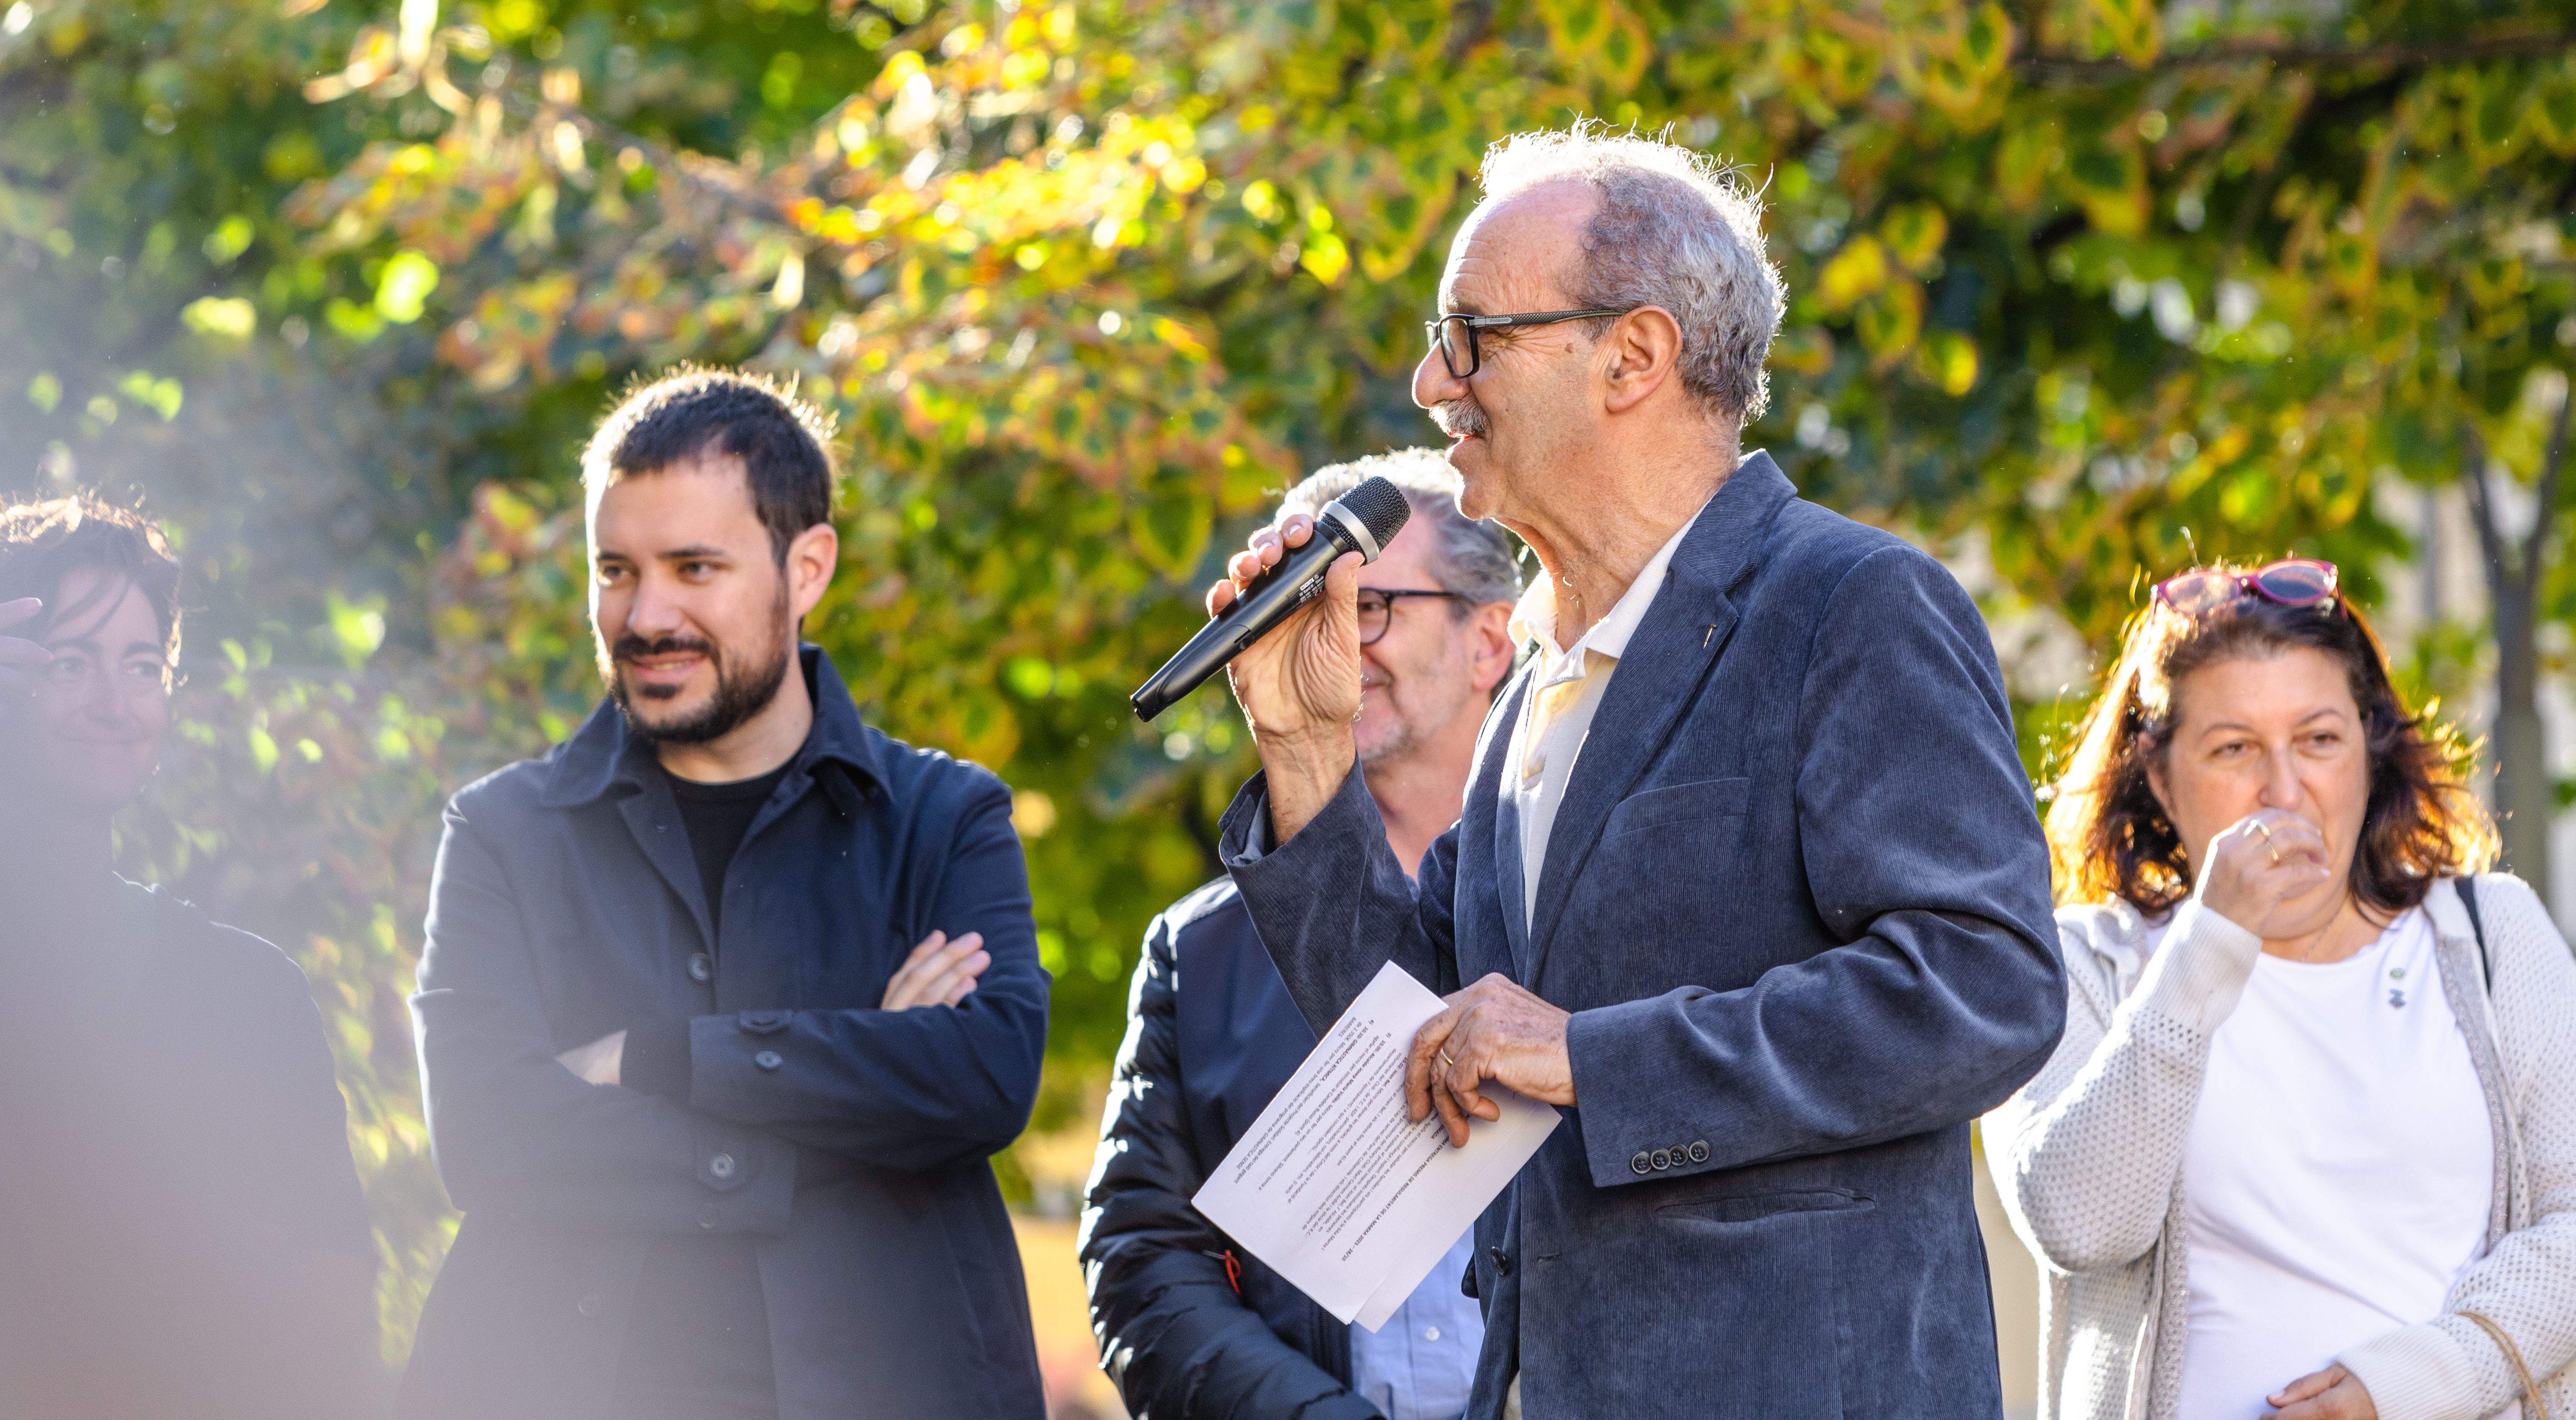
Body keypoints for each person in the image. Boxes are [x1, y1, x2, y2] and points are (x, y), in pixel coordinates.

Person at [1203, 126, 2068, 1417]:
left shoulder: (1852, 605)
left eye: (1472, 335)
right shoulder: (1537, 688)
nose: (1435, 382)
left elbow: (1984, 990)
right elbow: (1418, 1040)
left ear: (1634, 357)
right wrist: (1304, 746)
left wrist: (1595, 1061)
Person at [400, 368, 1047, 1420]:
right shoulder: (502, 834)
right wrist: (854, 1082)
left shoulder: (944, 815)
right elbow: (489, 1139)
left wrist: (656, 1058)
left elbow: (982, 1077)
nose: (647, 614)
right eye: (616, 569)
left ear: (808, 567)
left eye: (695, 567)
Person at [1982, 558, 2576, 1420]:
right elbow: (2078, 1226)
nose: (2284, 788)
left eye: (2319, 740)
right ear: (2160, 779)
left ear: (2369, 756)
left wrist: (2418, 1379)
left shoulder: (2493, 936)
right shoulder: (2084, 966)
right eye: (2234, 749)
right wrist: (2210, 946)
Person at [1085, 451, 1521, 1420]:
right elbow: (1143, 1255)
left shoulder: (1580, 895)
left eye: (1368, 604)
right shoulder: (1198, 954)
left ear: (1491, 640)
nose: (1328, 638)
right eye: (1293, 605)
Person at [0, 495, 378, 1420]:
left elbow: (335, 1331)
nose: (113, 703)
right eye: (67, 663)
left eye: (141, 665)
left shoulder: (250, 993)